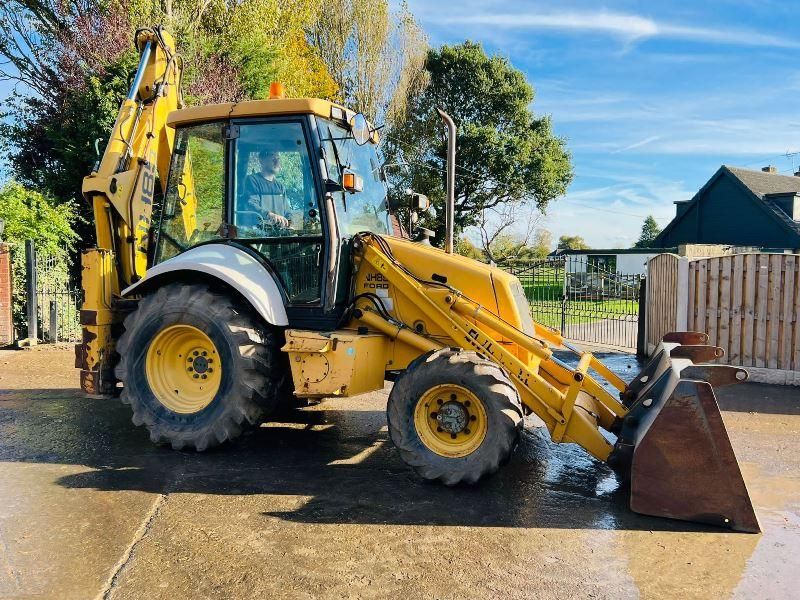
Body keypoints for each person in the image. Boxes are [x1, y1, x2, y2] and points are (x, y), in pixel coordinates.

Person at [241, 150, 290, 228]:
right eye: (273, 159)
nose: (277, 162)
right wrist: (269, 215)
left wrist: (290, 224)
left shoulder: (280, 186)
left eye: (278, 159)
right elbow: (251, 204)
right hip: (259, 232)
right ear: (262, 160)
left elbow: (287, 212)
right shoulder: (252, 180)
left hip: (279, 233)